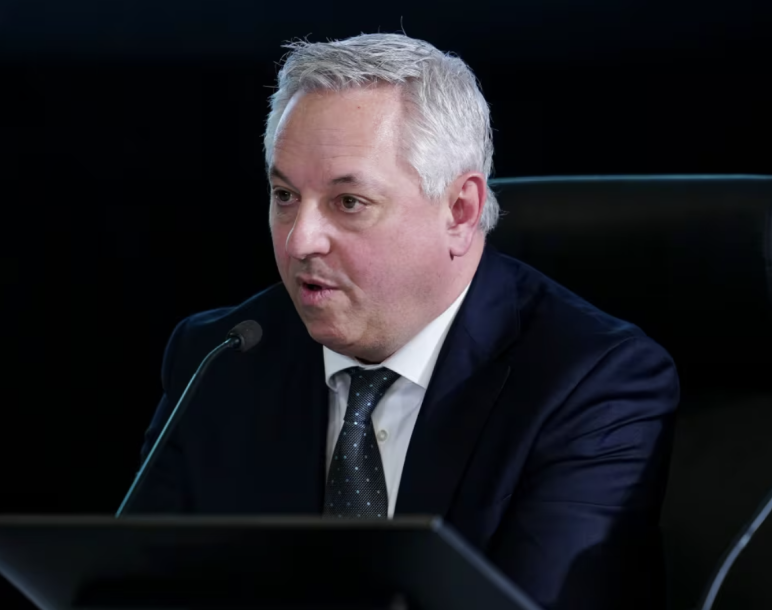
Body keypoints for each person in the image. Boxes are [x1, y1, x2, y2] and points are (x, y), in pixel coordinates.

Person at [128, 33, 679, 610]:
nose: (300, 240)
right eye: (285, 195)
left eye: (349, 203)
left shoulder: (591, 382)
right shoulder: (220, 359)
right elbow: (127, 589)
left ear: (460, 210)